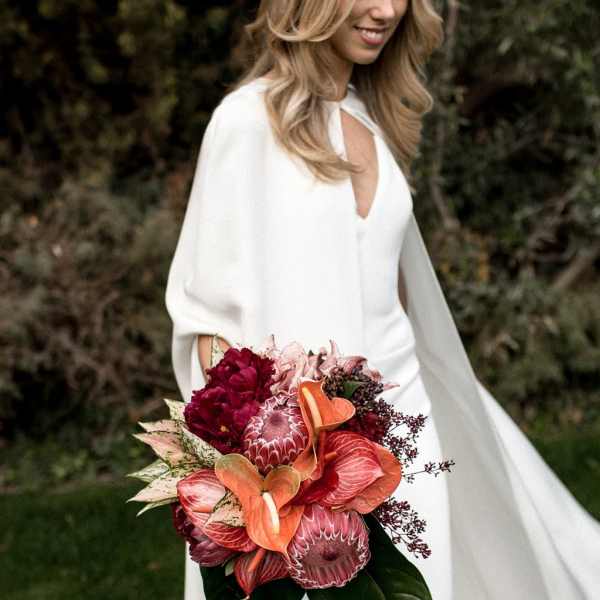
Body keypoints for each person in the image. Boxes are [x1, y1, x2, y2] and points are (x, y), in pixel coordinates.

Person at [165, 1, 600, 599]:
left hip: (403, 417)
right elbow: (208, 323)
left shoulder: (369, 116)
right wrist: (271, 464)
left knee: (430, 581)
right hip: (305, 450)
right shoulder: (246, 121)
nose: (387, 9)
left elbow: (387, 283)